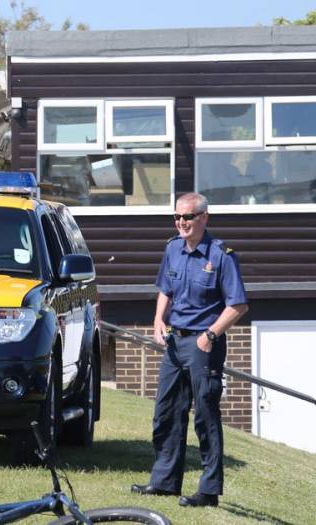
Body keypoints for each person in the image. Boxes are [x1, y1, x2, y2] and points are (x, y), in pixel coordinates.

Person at [131, 192, 248, 508]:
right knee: (166, 413)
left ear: (204, 218)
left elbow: (238, 305)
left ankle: (208, 492)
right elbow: (165, 290)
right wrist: (158, 319)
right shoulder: (172, 249)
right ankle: (165, 483)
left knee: (205, 416)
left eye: (188, 217)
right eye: (177, 217)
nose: (181, 222)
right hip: (174, 341)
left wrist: (210, 335)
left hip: (202, 344)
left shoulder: (222, 255)